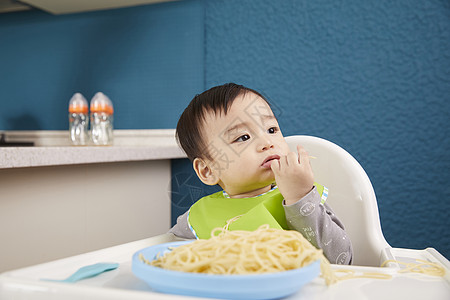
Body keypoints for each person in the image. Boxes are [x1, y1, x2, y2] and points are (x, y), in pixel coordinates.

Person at [169, 83, 353, 265]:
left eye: (271, 130)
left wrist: (299, 197)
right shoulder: (198, 217)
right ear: (208, 170)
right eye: (243, 137)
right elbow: (169, 257)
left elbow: (340, 260)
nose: (267, 142)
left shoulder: (302, 197)